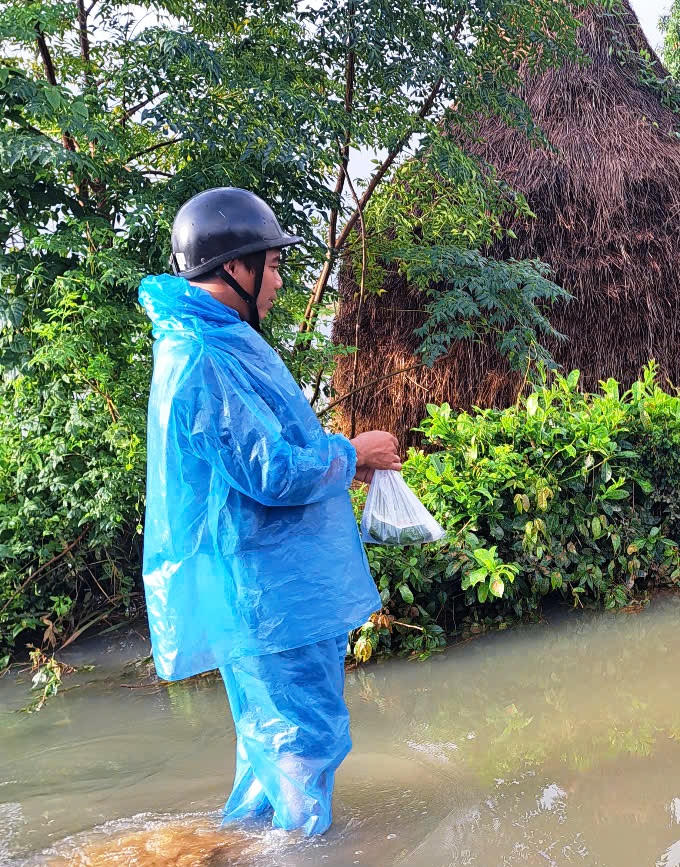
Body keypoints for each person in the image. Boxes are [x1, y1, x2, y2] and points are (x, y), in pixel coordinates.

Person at [138, 187, 402, 835]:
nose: (281, 282)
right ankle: (305, 851)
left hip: (267, 589)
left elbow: (261, 456)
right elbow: (271, 472)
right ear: (235, 267)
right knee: (301, 746)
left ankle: (248, 844)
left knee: (271, 750)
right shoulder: (205, 355)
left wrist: (342, 466)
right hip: (272, 595)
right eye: (275, 265)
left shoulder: (208, 340)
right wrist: (351, 451)